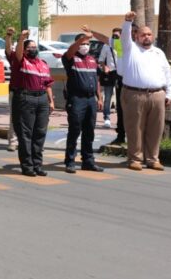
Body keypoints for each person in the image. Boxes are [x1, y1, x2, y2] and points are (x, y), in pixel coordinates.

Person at [120, 12, 171, 171]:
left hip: (157, 95)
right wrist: (128, 22)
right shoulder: (130, 49)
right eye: (143, 35)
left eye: (149, 34)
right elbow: (124, 38)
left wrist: (169, 93)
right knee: (135, 128)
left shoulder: (158, 53)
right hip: (135, 94)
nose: (147, 37)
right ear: (136, 36)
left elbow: (167, 73)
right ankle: (135, 158)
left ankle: (152, 159)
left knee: (156, 129)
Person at [9, 29, 54, 176]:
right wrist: (21, 39)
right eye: (30, 48)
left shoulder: (43, 63)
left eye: (35, 47)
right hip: (25, 98)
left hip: (42, 100)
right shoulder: (21, 62)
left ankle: (37, 165)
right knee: (25, 134)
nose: (33, 50)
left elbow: (47, 84)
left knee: (40, 133)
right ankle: (27, 166)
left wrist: (51, 101)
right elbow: (18, 53)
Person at [62, 31, 104, 173]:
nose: (85, 46)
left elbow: (96, 79)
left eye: (87, 43)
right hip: (76, 99)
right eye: (82, 43)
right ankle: (70, 161)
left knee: (89, 130)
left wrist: (99, 97)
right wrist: (81, 39)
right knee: (74, 130)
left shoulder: (92, 60)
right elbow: (70, 51)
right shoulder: (70, 58)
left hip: (90, 99)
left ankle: (88, 160)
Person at [97, 27, 121, 128]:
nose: (114, 37)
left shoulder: (124, 46)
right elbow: (101, 60)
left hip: (120, 74)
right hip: (110, 73)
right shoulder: (107, 46)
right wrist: (104, 66)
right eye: (113, 35)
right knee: (107, 97)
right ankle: (107, 117)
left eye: (117, 36)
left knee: (121, 98)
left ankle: (121, 120)